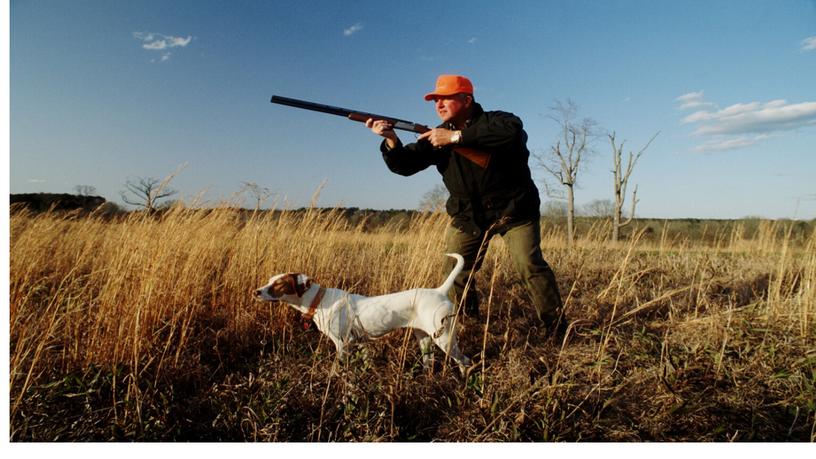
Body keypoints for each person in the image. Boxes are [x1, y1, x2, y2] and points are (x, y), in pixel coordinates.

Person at [366, 74, 566, 338]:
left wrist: (455, 138)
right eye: (435, 99)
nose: (438, 104)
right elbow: (404, 165)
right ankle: (469, 326)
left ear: (467, 99)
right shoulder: (435, 137)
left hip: (515, 211)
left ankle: (556, 328)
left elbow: (511, 133)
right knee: (455, 271)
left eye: (444, 97)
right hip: (469, 217)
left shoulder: (499, 120)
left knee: (529, 265)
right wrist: (391, 139)